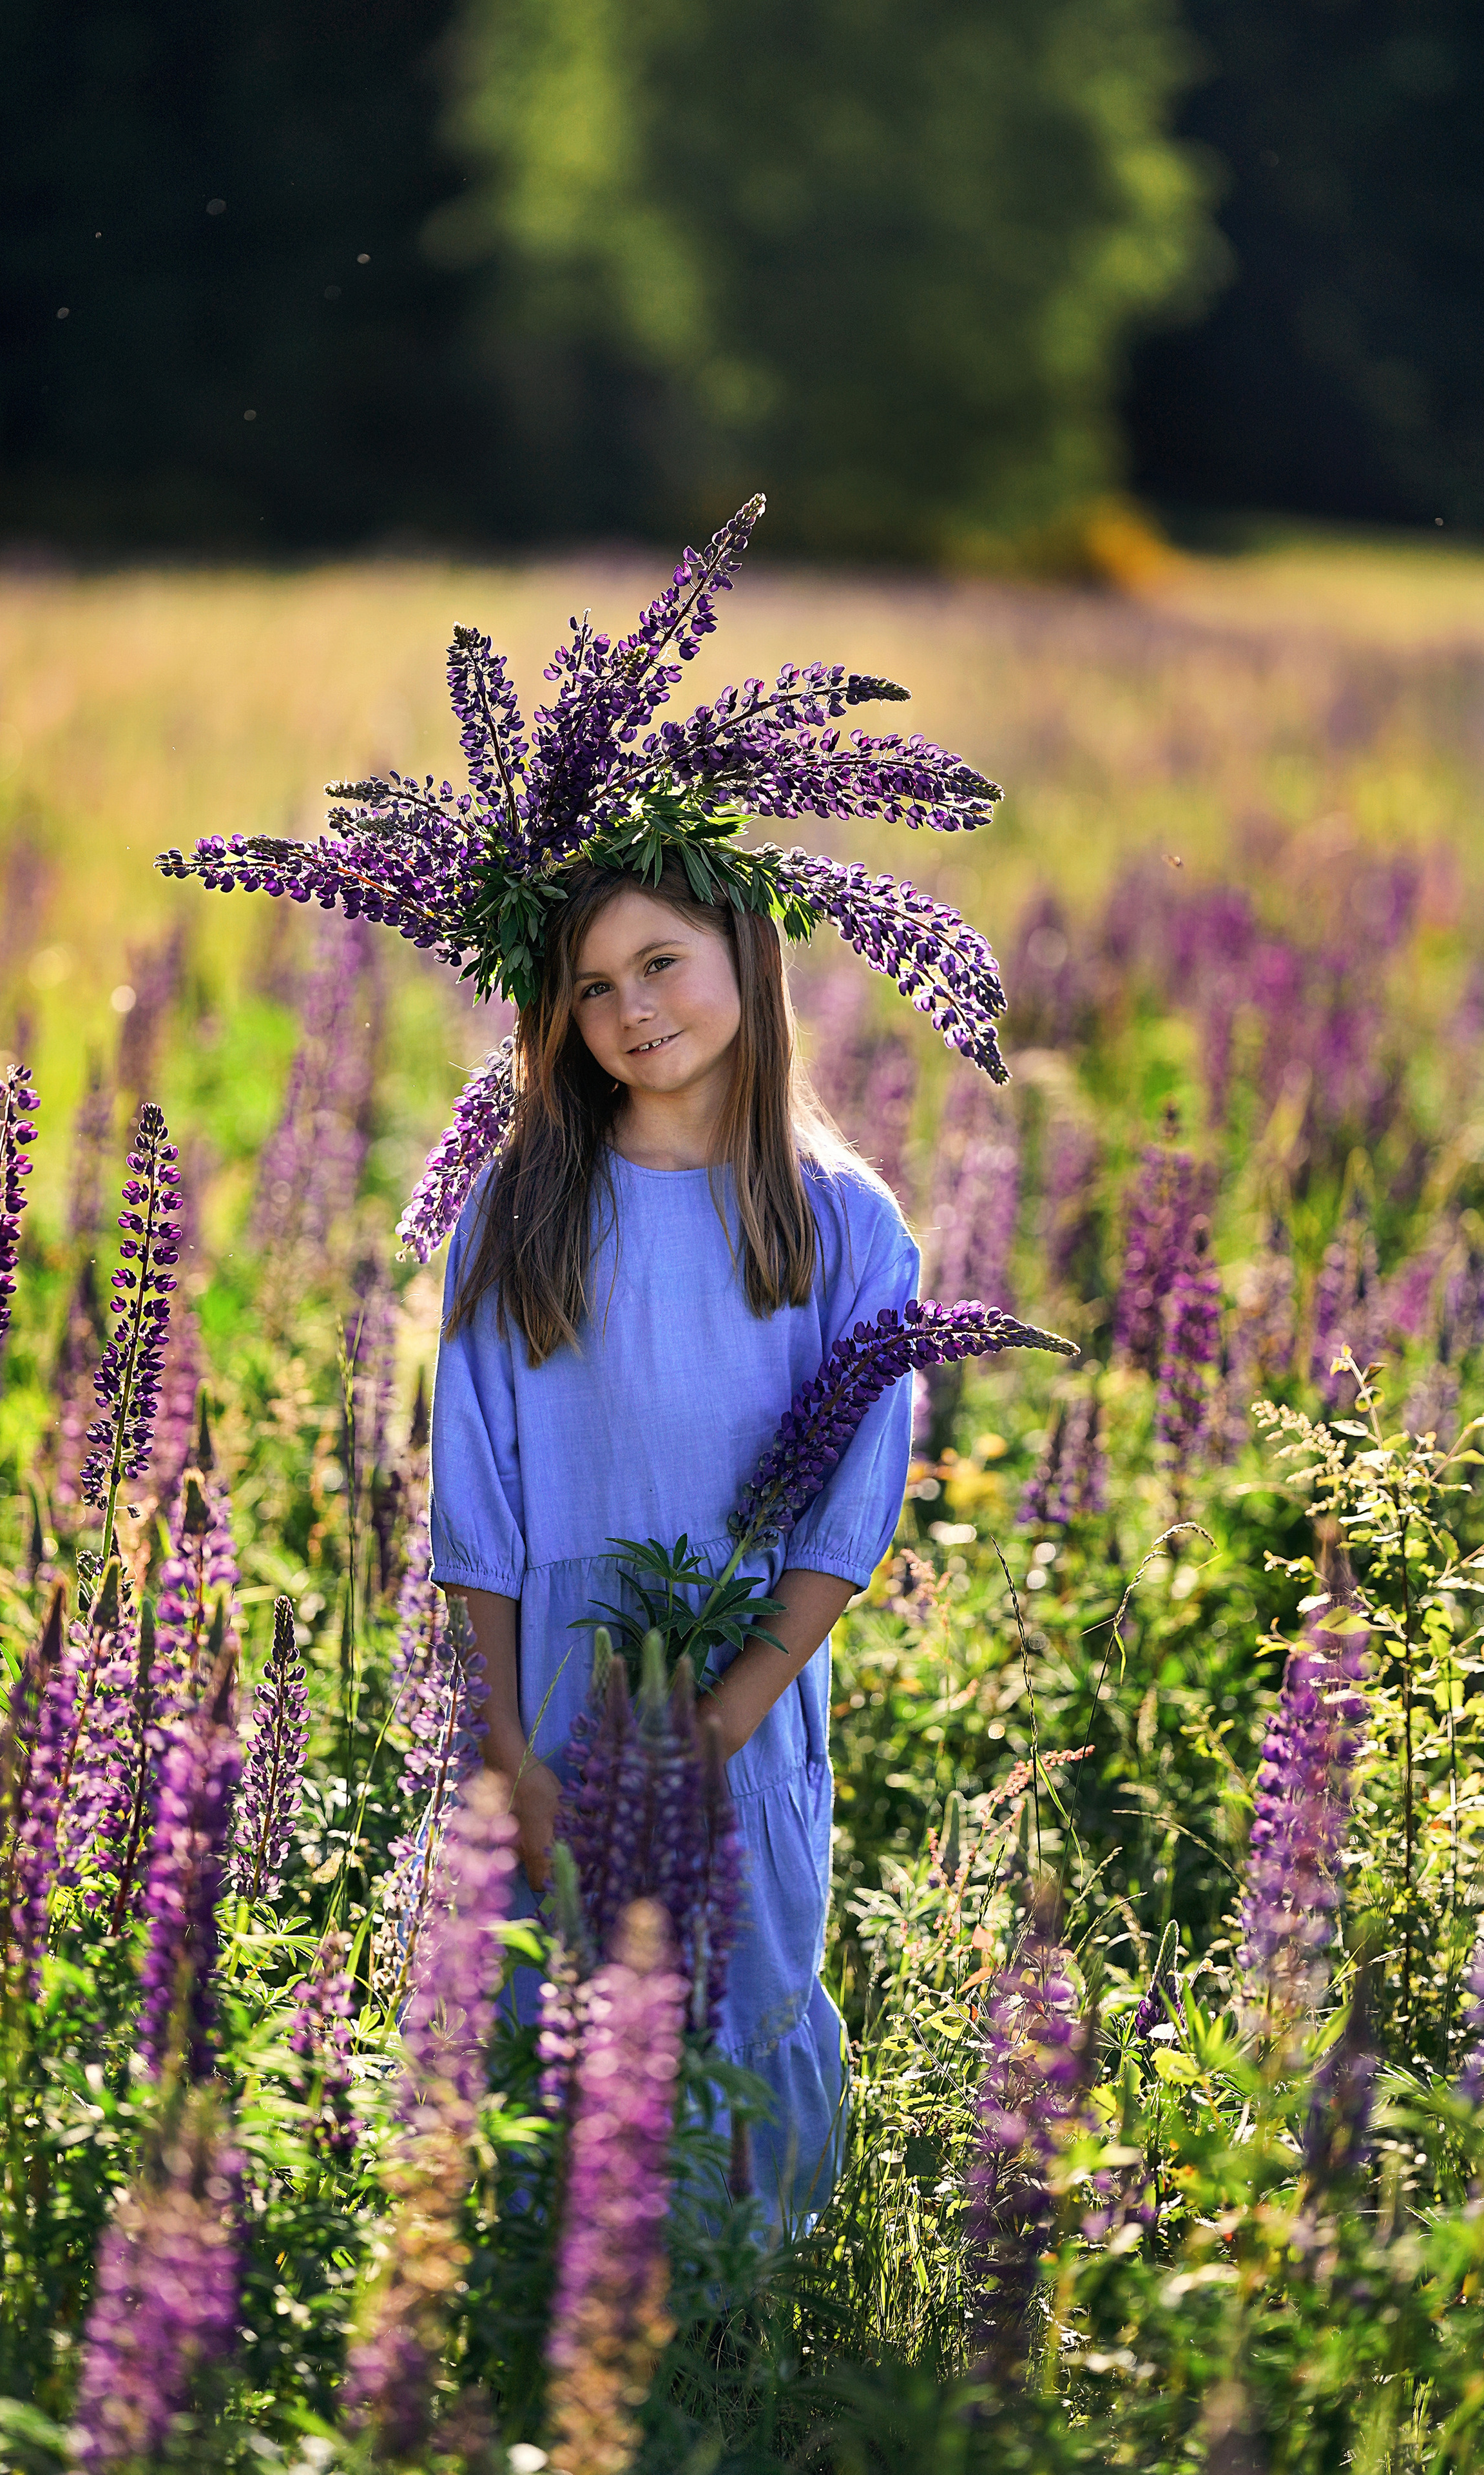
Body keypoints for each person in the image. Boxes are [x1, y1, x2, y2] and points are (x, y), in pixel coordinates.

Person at [429, 854, 920, 2219]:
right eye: (591, 987)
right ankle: (554, 2312)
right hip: (552, 1684)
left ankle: (733, 2323)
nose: (631, 1008)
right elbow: (477, 1504)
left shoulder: (841, 1222)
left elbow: (847, 1512)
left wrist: (720, 1721)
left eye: (659, 963)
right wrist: (511, 1751)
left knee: (738, 1987)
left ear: (746, 960)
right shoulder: (520, 1207)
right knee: (555, 1993)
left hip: (743, 1692)